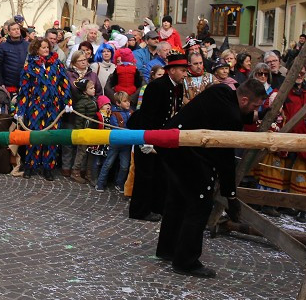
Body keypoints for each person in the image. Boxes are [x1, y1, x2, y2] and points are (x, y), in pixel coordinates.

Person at [155, 78, 266, 277]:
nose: (254, 110)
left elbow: (228, 113)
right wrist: (231, 196)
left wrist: (256, 116)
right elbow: (225, 160)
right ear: (244, 100)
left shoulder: (221, 91)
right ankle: (186, 262)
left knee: (178, 200)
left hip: (172, 147)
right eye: (254, 106)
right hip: (187, 155)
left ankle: (168, 249)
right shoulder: (231, 117)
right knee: (199, 206)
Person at [127, 53, 188, 222]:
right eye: (183, 70)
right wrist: (146, 140)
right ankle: (140, 211)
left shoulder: (178, 87)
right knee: (145, 175)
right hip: (148, 135)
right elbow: (147, 116)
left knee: (161, 173)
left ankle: (157, 207)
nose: (185, 74)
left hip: (164, 137)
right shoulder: (156, 86)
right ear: (172, 70)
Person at [14, 37, 71, 180]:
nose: (46, 50)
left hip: (53, 107)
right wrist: (20, 110)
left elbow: (64, 84)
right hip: (35, 106)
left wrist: (68, 102)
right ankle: (30, 166)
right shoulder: (29, 67)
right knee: (34, 136)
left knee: (51, 137)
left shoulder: (57, 65)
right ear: (36, 49)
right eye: (43, 47)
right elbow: (24, 91)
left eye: (47, 47)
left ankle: (48, 167)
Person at [96, 91, 132, 192]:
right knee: (108, 164)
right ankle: (100, 183)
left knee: (125, 166)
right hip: (115, 143)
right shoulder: (114, 114)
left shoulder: (131, 113)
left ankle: (120, 184)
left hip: (126, 144)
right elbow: (115, 128)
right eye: (125, 101)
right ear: (118, 103)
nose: (128, 103)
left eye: (128, 101)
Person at [0, 21, 29, 94]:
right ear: (8, 32)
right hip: (9, 84)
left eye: (18, 29)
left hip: (26, 83)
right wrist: (0, 83)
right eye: (13, 29)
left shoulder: (27, 45)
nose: (16, 31)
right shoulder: (3, 46)